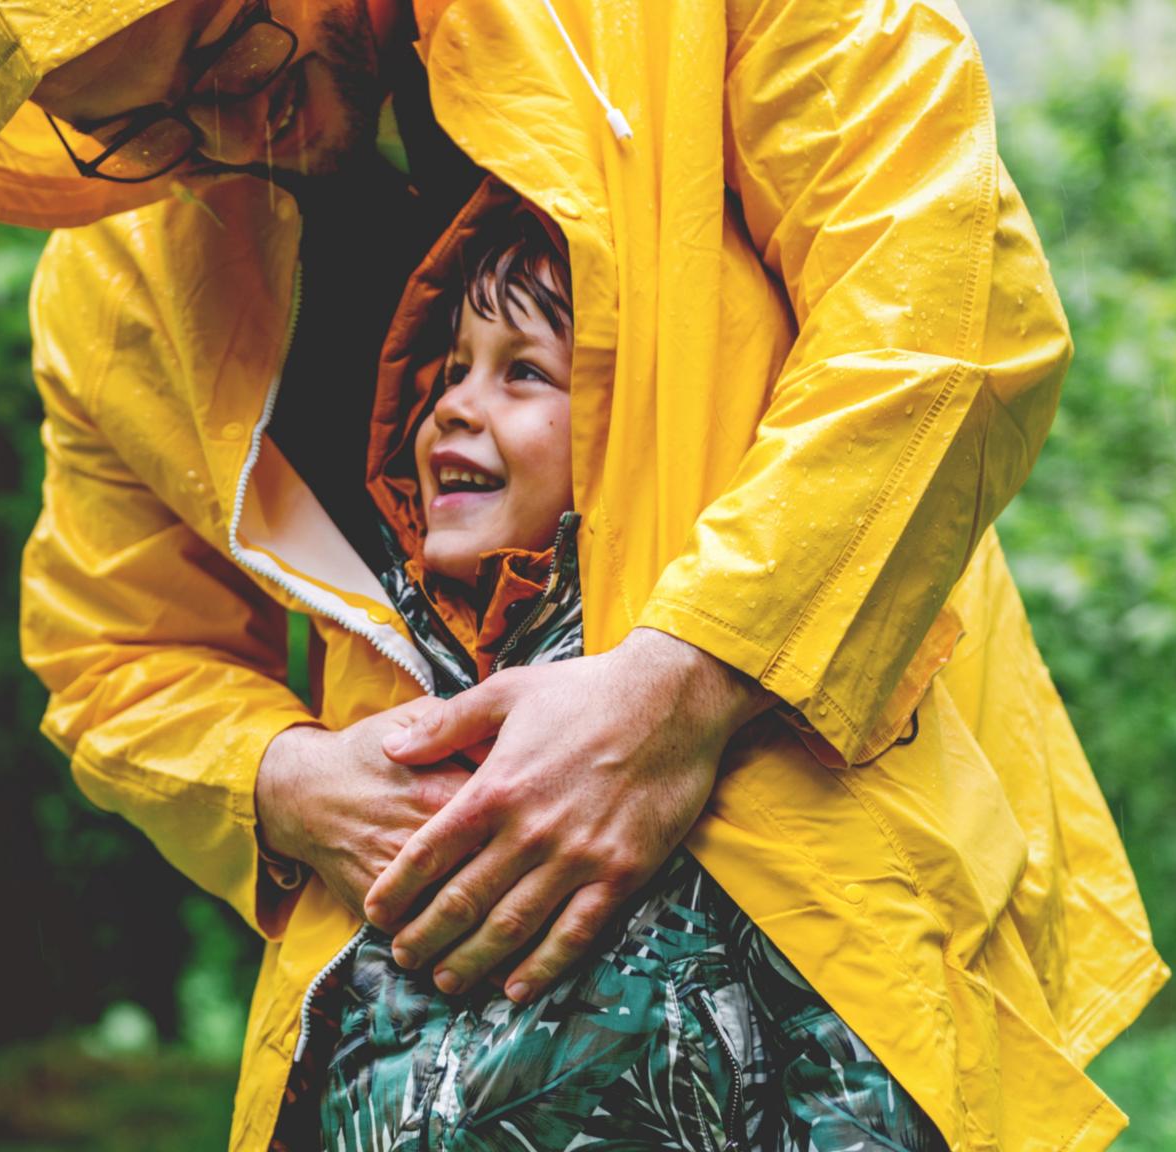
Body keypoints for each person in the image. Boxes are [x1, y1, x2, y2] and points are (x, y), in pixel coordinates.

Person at [0, 0, 1167, 1147]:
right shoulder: (120, 286)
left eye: (230, 60)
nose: (229, 136)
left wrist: (687, 680)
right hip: (422, 1035)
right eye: (138, 131)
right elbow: (115, 651)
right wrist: (282, 782)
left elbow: (940, 312)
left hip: (836, 945)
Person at [308, 184, 946, 1151]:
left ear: (618, 433)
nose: (453, 409)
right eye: (449, 373)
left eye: (522, 373)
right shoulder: (395, 695)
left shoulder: (719, 723)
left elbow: (858, 1041)